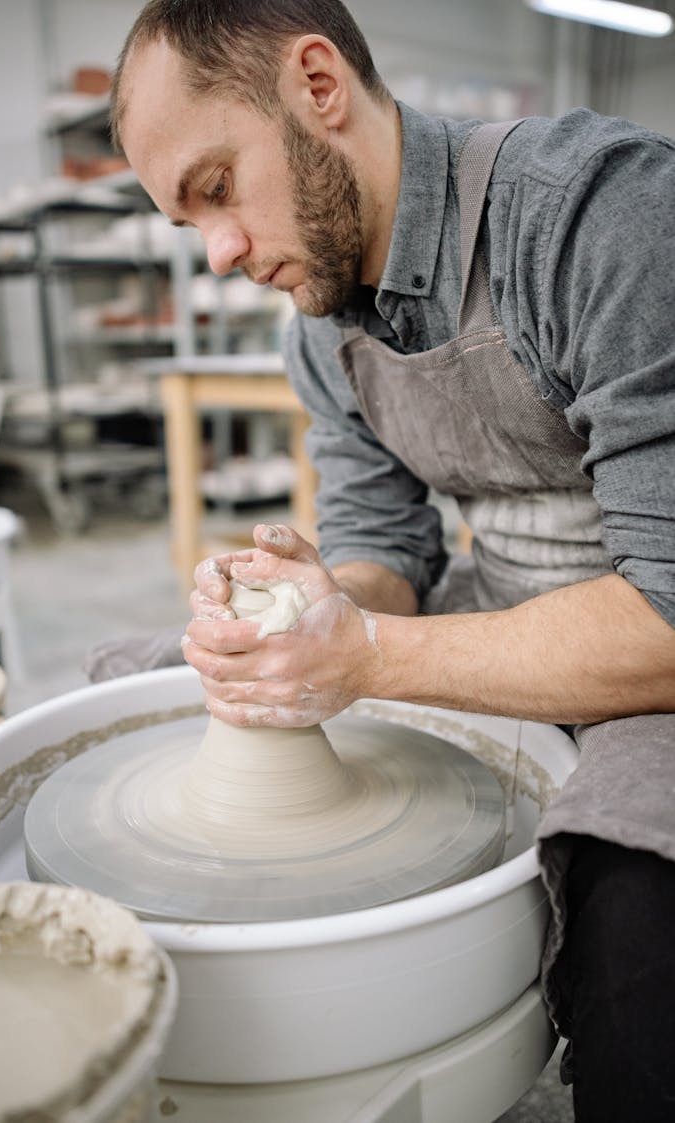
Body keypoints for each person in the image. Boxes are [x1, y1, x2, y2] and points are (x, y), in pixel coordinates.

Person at [109, 2, 675, 1119]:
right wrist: (305, 607)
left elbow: (668, 613)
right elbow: (383, 548)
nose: (220, 254)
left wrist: (364, 654)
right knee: (139, 682)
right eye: (188, 224)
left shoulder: (599, 216)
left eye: (218, 186)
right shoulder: (320, 321)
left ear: (318, 85)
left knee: (635, 936)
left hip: (646, 653)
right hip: (504, 608)